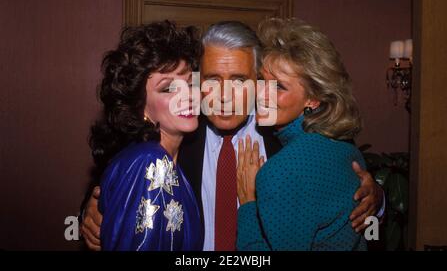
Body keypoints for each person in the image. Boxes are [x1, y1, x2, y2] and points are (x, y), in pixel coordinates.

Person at [80, 21, 384, 251]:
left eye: (239, 80)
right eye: (213, 80)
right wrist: (93, 210)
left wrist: (376, 199)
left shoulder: (294, 139)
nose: (224, 96)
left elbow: (344, 180)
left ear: (259, 81)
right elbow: (117, 182)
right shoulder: (172, 134)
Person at [237, 18, 369, 250]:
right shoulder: (346, 150)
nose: (261, 94)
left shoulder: (281, 171)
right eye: (261, 80)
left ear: (313, 98)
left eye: (279, 86)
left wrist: (248, 203)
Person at [89, 21, 203, 250]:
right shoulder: (151, 162)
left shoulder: (161, 159)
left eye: (191, 83)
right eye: (168, 88)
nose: (187, 96)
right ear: (140, 105)